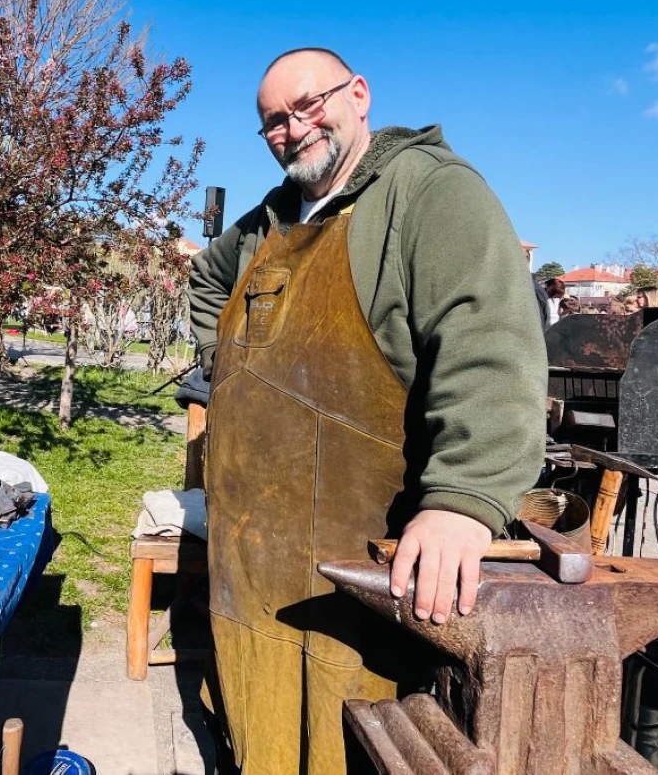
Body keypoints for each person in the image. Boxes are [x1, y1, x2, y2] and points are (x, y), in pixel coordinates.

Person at [187, 48, 546, 773]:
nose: (293, 129)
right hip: (251, 548)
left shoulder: (431, 193)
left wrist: (461, 503)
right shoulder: (267, 220)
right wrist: (223, 366)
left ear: (358, 94)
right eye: (274, 122)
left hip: (358, 558)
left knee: (352, 729)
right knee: (255, 717)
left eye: (308, 105)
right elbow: (205, 279)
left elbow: (490, 352)